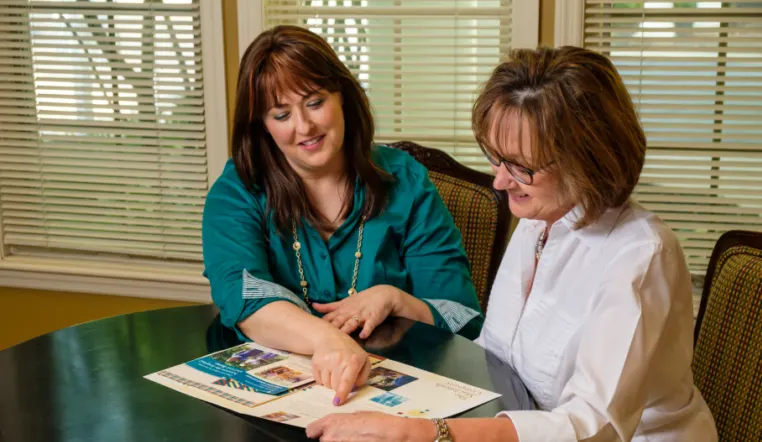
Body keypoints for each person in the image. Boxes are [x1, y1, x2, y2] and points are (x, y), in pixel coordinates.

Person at [305, 46, 717, 441]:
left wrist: (423, 433)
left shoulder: (641, 256)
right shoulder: (542, 217)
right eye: (496, 158)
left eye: (521, 167)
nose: (500, 182)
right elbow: (493, 355)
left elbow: (591, 427)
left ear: (587, 160)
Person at [201, 25, 483, 407]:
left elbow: (463, 316)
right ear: (262, 127)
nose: (304, 127)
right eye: (281, 114)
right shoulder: (238, 188)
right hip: (271, 405)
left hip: (400, 400)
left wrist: (394, 298)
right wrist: (327, 339)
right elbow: (242, 296)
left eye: (315, 102)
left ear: (343, 97)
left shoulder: (407, 181)